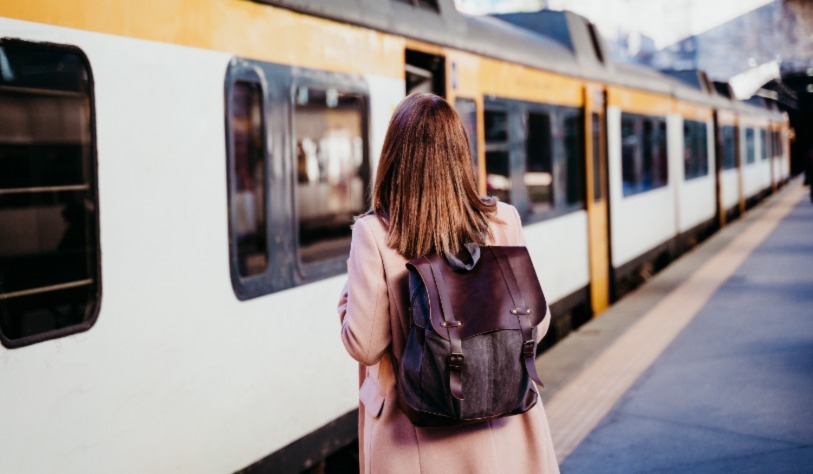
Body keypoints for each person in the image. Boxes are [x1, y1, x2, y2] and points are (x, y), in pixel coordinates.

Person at [337, 93, 559, 473]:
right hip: (505, 433)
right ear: (461, 153)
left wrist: (346, 298)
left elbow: (366, 344)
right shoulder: (503, 219)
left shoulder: (375, 233)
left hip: (416, 443)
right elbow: (536, 324)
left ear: (393, 157)